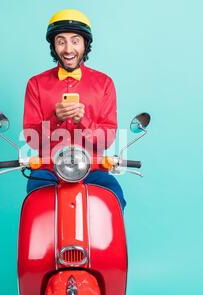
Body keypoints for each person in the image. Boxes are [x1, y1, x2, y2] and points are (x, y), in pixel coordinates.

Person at [23, 9, 126, 210]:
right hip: (48, 169)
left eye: (75, 41)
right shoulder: (36, 84)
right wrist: (55, 119)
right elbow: (31, 137)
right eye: (61, 41)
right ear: (53, 46)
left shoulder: (104, 83)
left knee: (114, 202)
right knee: (35, 206)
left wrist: (83, 121)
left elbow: (108, 138)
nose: (68, 49)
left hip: (94, 169)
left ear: (85, 44)